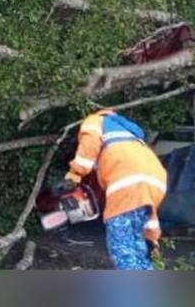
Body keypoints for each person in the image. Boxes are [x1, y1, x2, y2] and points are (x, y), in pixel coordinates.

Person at [52, 109, 167, 270]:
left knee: (122, 250)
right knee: (138, 252)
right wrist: (151, 237)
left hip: (128, 179)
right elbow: (149, 211)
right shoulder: (128, 134)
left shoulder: (94, 120)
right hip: (157, 179)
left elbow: (89, 144)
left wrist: (73, 176)